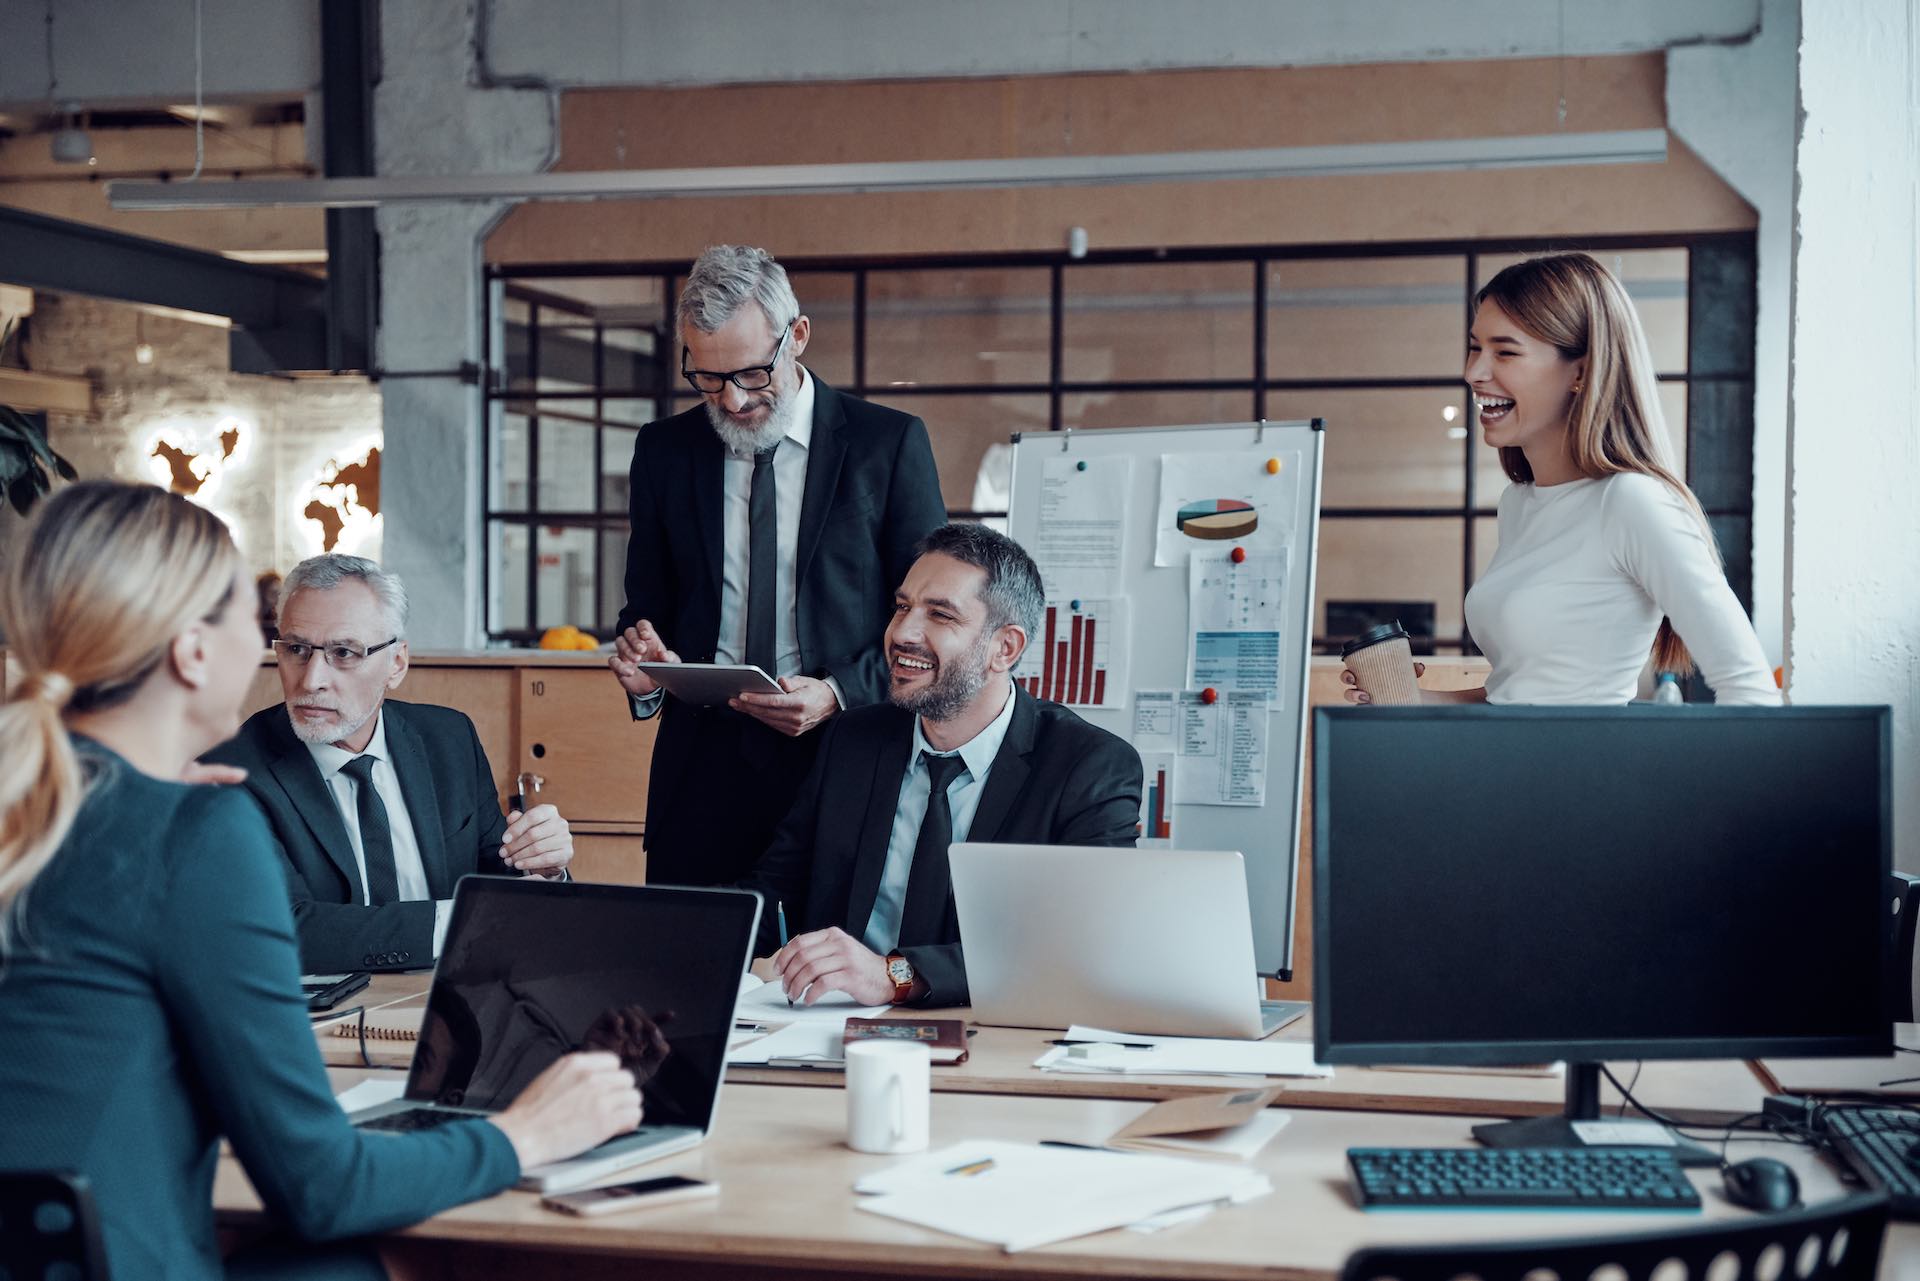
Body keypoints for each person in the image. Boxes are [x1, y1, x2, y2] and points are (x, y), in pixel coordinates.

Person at [0, 481, 639, 1280]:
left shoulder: (46, 805)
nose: (302, 669)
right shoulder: (196, 828)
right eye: (264, 622)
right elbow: (323, 1186)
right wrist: (528, 1132)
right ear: (193, 652)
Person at [608, 244, 947, 887]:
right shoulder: (664, 451)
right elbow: (645, 609)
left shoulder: (888, 444)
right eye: (708, 379)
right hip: (700, 776)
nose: (732, 402)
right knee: (687, 974)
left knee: (826, 976)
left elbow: (931, 621)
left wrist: (839, 692)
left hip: (845, 760)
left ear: (797, 337)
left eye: (750, 374)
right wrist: (648, 669)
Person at [1344, 252, 1779, 707]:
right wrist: (1410, 698)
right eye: (1475, 347)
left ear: (1581, 371)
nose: (1474, 372)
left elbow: (1751, 693)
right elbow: (1520, 695)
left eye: (1505, 352)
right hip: (1504, 772)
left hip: (1582, 777)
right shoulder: (1519, 503)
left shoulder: (1631, 501)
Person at [743, 524, 1143, 1008]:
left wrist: (895, 976)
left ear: (1006, 648)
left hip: (989, 1026)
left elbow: (1081, 943)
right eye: (903, 607)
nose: (903, 633)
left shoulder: (1090, 767)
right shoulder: (853, 741)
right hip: (829, 1023)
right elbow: (771, 892)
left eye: (940, 615)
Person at [207, 554, 575, 973]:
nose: (311, 680)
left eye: (343, 653)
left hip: (457, 999)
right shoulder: (231, 773)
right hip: (331, 1023)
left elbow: (499, 877)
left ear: (396, 664)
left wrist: (546, 873)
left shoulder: (449, 739)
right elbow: (282, 929)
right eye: (296, 649)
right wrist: (460, 922)